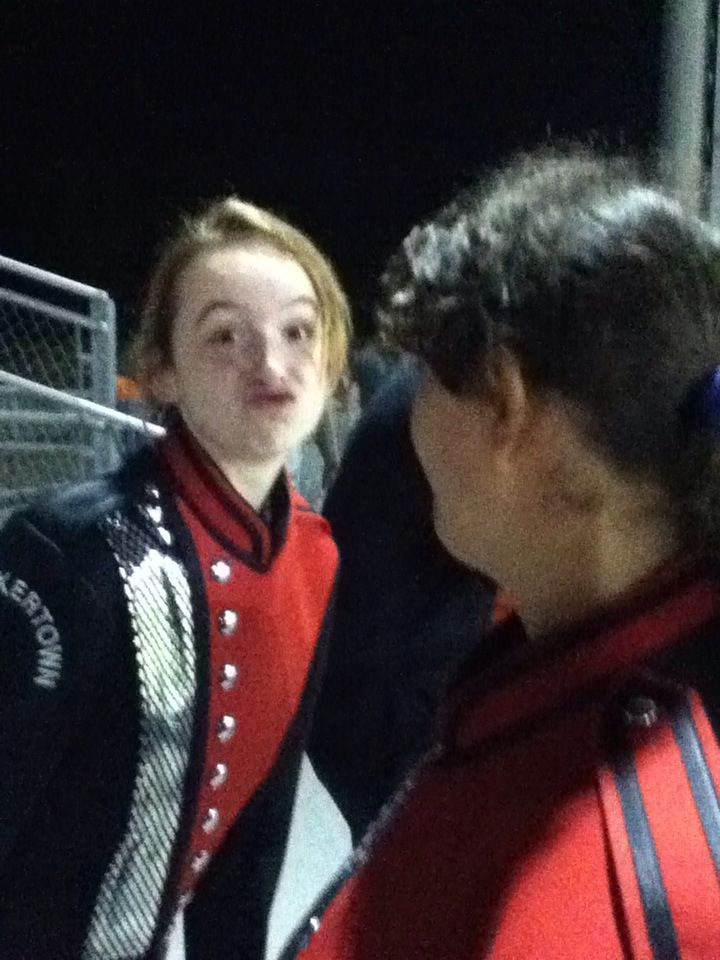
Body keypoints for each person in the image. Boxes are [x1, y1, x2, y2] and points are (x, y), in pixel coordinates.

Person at [283, 148, 720, 959]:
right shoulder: (588, 677)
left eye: (423, 375)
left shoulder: (590, 903)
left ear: (505, 400)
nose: (405, 413)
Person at [0, 196, 350, 959]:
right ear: (160, 371)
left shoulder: (316, 557)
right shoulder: (72, 548)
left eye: (299, 330)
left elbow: (253, 845)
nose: (270, 362)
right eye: (225, 335)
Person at [309, 360, 495, 840]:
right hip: (388, 694)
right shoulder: (456, 403)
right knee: (422, 864)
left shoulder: (433, 385)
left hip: (370, 681)